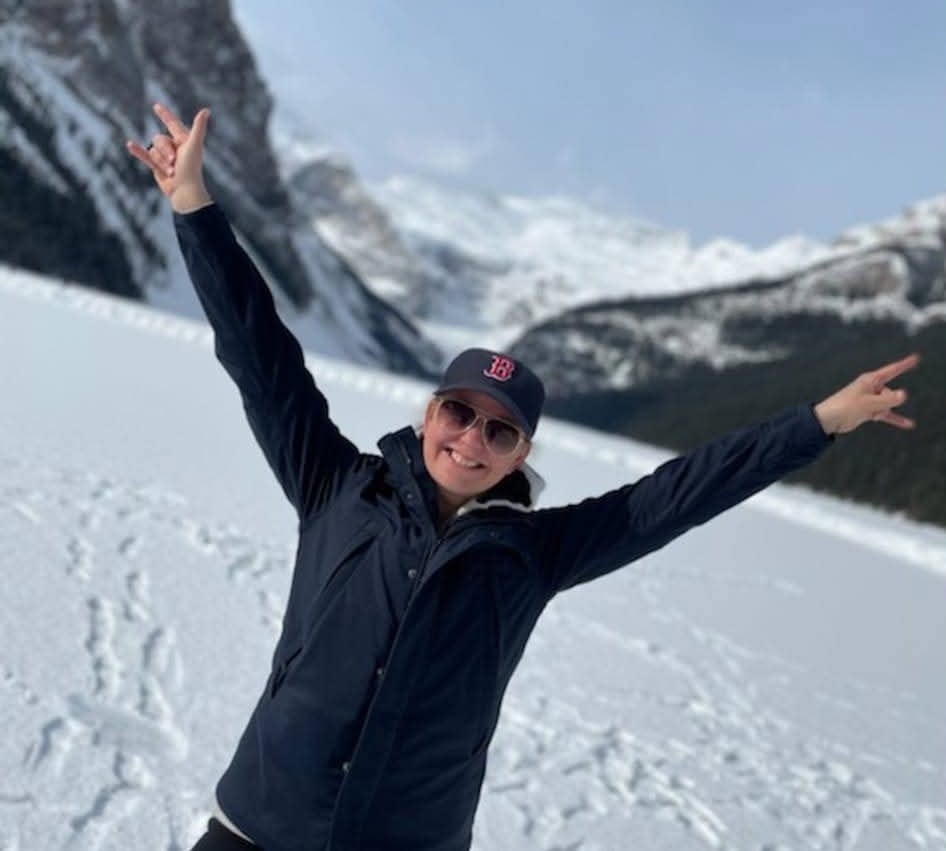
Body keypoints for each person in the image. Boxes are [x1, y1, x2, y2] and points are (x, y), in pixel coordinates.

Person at [128, 104, 919, 851]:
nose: (471, 439)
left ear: (520, 453)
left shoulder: (535, 553)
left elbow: (677, 494)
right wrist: (194, 207)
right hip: (260, 825)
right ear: (429, 413)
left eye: (498, 428)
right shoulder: (335, 483)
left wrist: (817, 423)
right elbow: (260, 353)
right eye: (458, 413)